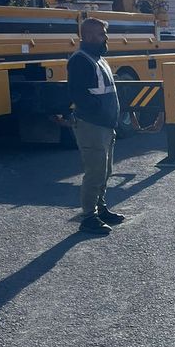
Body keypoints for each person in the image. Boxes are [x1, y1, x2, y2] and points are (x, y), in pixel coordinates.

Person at [68, 18, 125, 235]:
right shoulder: (81, 60)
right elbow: (79, 94)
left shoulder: (98, 59)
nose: (106, 38)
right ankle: (89, 217)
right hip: (92, 126)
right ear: (89, 36)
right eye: (102, 34)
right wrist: (98, 112)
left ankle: (100, 209)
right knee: (95, 172)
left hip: (104, 125)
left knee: (105, 170)